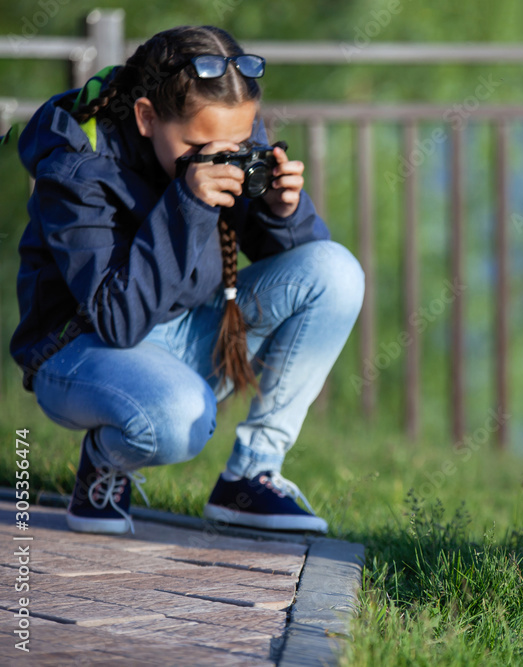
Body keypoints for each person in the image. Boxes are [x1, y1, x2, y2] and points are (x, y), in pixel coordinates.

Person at [9, 25, 364, 535]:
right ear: (147, 117)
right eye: (200, 146)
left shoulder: (225, 128)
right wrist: (189, 202)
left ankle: (250, 477)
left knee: (335, 270)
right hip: (81, 352)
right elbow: (117, 322)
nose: (223, 156)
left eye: (239, 143)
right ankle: (105, 460)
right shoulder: (77, 166)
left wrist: (283, 213)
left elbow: (298, 273)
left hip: (183, 327)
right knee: (180, 417)